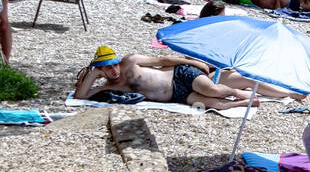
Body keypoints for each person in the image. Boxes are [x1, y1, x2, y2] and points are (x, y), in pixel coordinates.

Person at [73, 46, 261, 110]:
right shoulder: (107, 87)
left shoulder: (130, 61)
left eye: (113, 64)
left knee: (212, 90)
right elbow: (80, 96)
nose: (113, 70)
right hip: (177, 95)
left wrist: (196, 64)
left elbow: (163, 59)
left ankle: (237, 92)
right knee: (213, 104)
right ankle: (245, 102)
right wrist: (94, 74)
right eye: (106, 68)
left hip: (181, 75)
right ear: (100, 70)